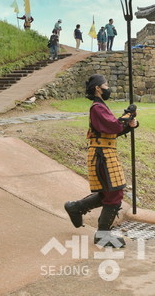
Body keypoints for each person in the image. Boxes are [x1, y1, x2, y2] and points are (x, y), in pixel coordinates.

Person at [64, 74, 138, 248]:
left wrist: (129, 124)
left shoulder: (101, 107)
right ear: (98, 88)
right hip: (102, 154)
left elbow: (112, 130)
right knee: (114, 193)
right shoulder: (97, 108)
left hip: (106, 152)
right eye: (106, 85)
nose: (108, 88)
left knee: (108, 193)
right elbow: (113, 125)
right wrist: (127, 115)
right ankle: (103, 234)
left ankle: (76, 207)